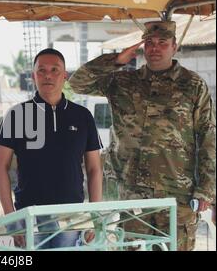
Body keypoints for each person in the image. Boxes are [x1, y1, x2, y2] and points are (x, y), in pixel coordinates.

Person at [69, 21, 216, 251]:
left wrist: (207, 190)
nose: (155, 48)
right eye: (149, 43)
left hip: (178, 194)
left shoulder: (193, 85)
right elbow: (77, 83)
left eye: (162, 43)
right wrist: (116, 61)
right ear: (143, 47)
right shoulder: (123, 82)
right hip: (131, 191)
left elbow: (208, 137)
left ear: (174, 47)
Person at [0, 48, 103, 249]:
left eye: (55, 70)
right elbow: (1, 167)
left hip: (71, 216)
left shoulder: (82, 116)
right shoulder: (17, 115)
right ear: (33, 75)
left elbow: (94, 169)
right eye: (41, 70)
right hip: (29, 214)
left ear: (65, 75)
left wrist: (95, 216)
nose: (48, 75)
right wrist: (11, 220)